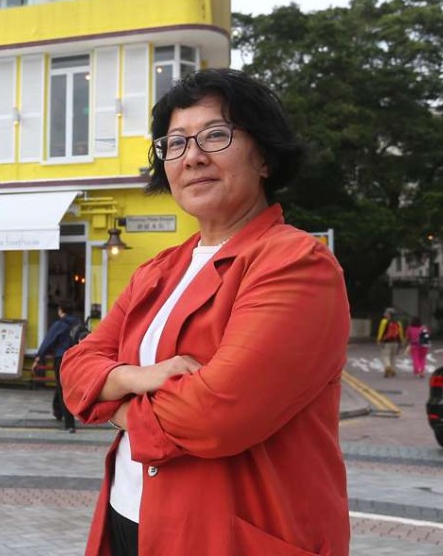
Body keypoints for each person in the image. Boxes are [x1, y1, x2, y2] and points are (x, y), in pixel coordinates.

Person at [61, 69, 350, 556]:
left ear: (264, 156)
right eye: (175, 143)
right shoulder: (159, 269)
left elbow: (214, 416)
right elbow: (74, 370)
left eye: (215, 135)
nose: (192, 156)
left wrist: (115, 405)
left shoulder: (297, 264)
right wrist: (137, 376)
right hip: (127, 518)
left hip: (231, 537)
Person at [32, 305, 79, 433]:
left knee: (63, 389)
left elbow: (49, 341)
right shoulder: (77, 324)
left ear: (60, 311)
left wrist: (38, 358)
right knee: (62, 385)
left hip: (61, 358)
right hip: (75, 359)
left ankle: (69, 424)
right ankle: (57, 411)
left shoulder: (59, 324)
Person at [376, 308, 403, 377]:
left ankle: (388, 367)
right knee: (393, 356)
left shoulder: (384, 321)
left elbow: (381, 331)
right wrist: (401, 342)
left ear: (389, 314)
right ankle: (393, 370)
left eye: (386, 313)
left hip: (387, 342)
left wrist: (379, 340)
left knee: (385, 356)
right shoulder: (398, 322)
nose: (385, 314)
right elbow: (400, 333)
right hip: (396, 342)